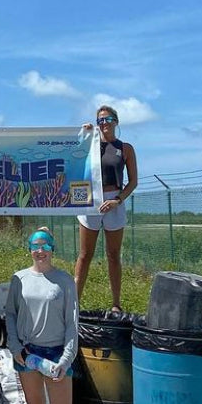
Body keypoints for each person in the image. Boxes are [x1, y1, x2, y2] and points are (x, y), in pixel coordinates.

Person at [6, 228, 94, 404]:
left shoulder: (64, 282)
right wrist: (15, 347)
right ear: (29, 249)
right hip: (28, 355)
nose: (40, 251)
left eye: (45, 246)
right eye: (35, 246)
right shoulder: (18, 279)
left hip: (57, 355)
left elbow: (72, 324)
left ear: (52, 249)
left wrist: (66, 358)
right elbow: (10, 313)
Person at [74, 105, 139, 313]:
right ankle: (74, 303)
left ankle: (116, 304)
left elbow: (133, 182)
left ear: (116, 121)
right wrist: (83, 134)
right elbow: (72, 155)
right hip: (92, 200)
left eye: (108, 119)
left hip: (114, 201)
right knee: (85, 255)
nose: (104, 123)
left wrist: (118, 200)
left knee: (113, 255)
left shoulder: (125, 148)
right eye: (100, 120)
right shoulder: (90, 146)